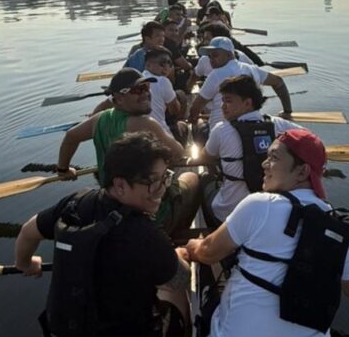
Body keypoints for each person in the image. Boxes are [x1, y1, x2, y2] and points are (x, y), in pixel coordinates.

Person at [15, 133, 192, 337]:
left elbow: (27, 231)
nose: (162, 189)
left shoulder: (73, 204)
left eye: (166, 177)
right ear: (120, 185)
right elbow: (179, 280)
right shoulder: (147, 236)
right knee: (178, 297)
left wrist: (25, 263)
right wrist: (179, 256)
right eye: (153, 182)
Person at [185, 129, 349, 337]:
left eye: (273, 158)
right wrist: (343, 247)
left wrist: (191, 248)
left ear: (302, 172)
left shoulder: (257, 205)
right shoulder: (333, 225)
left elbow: (208, 253)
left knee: (205, 267)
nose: (264, 164)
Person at [56, 67, 200, 239]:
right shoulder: (144, 123)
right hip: (146, 206)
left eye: (147, 88)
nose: (146, 94)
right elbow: (179, 154)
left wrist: (63, 169)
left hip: (111, 203)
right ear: (118, 98)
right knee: (193, 179)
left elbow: (70, 137)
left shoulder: (99, 119)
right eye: (137, 90)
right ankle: (174, 233)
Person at [197, 74, 292, 223]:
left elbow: (204, 157)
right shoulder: (278, 124)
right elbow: (312, 140)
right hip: (266, 213)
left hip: (228, 214)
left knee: (203, 179)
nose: (223, 106)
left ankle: (210, 229)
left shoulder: (221, 129)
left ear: (248, 103)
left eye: (228, 101)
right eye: (222, 101)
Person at [189, 36, 292, 135]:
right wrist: (287, 111)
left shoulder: (215, 75)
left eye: (215, 55)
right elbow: (279, 82)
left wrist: (192, 120)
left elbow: (196, 107)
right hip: (249, 128)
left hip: (220, 130)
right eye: (210, 56)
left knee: (198, 125)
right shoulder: (251, 69)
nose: (211, 60)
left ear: (229, 55)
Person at [144, 47, 186, 140]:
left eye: (170, 64)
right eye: (162, 63)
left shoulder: (135, 79)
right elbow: (174, 110)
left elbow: (104, 105)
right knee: (181, 96)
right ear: (148, 65)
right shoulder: (163, 81)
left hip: (139, 133)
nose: (167, 67)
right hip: (159, 133)